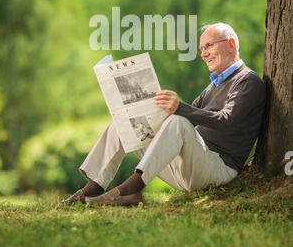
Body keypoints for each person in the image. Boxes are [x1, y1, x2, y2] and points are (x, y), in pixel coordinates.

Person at [60, 22, 266, 207]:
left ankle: (127, 191)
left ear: (230, 44)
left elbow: (225, 122)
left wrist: (178, 108)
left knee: (178, 121)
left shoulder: (248, 81)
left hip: (219, 169)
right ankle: (93, 188)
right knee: (124, 124)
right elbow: (183, 117)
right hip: (190, 167)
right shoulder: (214, 85)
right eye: (201, 49)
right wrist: (145, 107)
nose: (203, 54)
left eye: (209, 45)